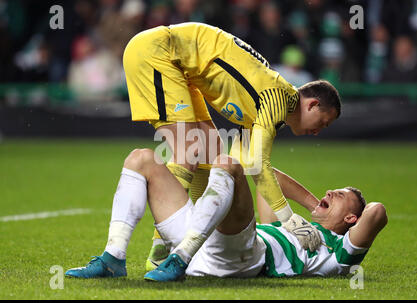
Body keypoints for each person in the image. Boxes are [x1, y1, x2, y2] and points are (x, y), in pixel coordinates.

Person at [121, 22, 342, 270]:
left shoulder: (268, 107)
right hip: (159, 51)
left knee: (213, 156)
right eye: (321, 123)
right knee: (190, 148)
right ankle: (159, 252)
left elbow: (243, 166)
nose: (317, 132)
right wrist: (289, 219)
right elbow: (259, 166)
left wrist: (312, 205)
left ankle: (196, 241)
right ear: (311, 105)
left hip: (182, 68)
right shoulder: (278, 98)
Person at [65, 149, 387, 281]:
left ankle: (180, 257)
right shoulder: (290, 227)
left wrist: (328, 223)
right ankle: (113, 258)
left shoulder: (338, 254)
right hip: (205, 242)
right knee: (142, 158)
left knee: (229, 163)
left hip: (242, 257)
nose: (331, 193)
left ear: (350, 220)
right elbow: (264, 172)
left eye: (341, 196)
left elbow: (377, 212)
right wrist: (306, 209)